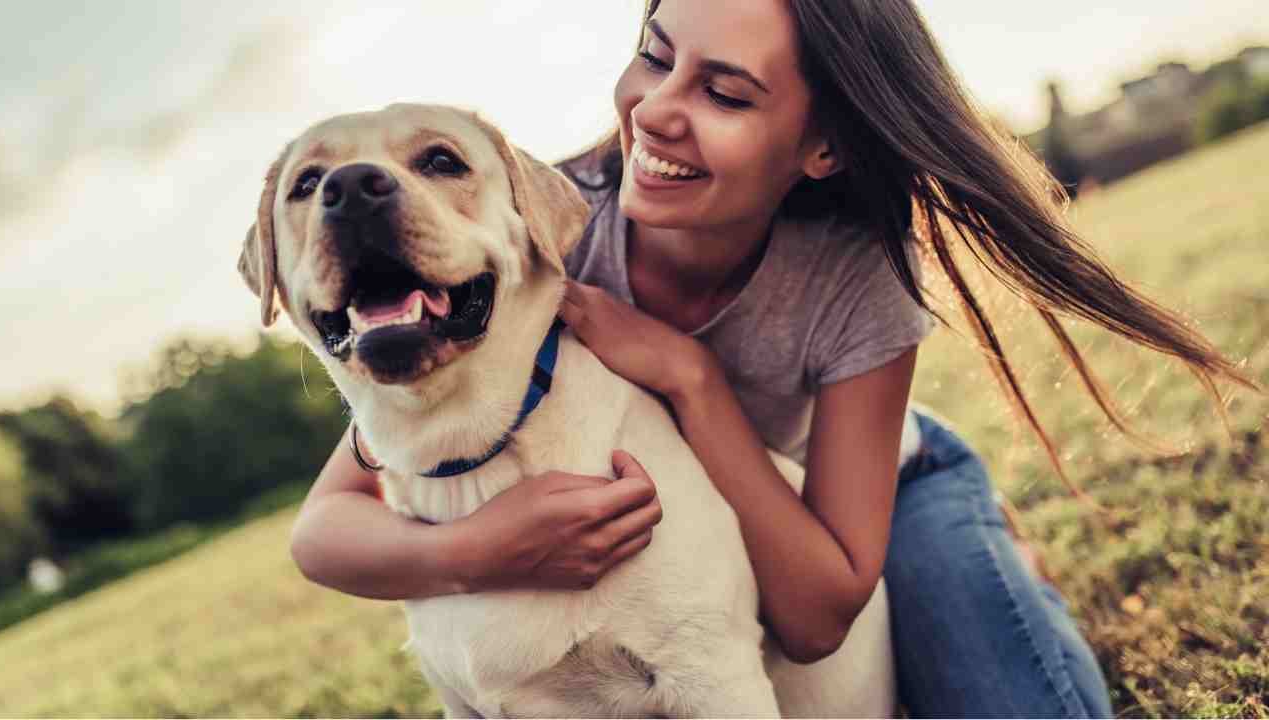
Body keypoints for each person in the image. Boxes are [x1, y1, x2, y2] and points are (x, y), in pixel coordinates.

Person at [289, 1, 1253, 716]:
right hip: (715, 542)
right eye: (654, 58)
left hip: (884, 499)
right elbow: (330, 521)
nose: (657, 112)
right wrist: (472, 551)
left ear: (822, 145)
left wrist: (690, 377)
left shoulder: (857, 274)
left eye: (724, 92)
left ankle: (997, 556)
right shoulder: (536, 232)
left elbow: (815, 614)